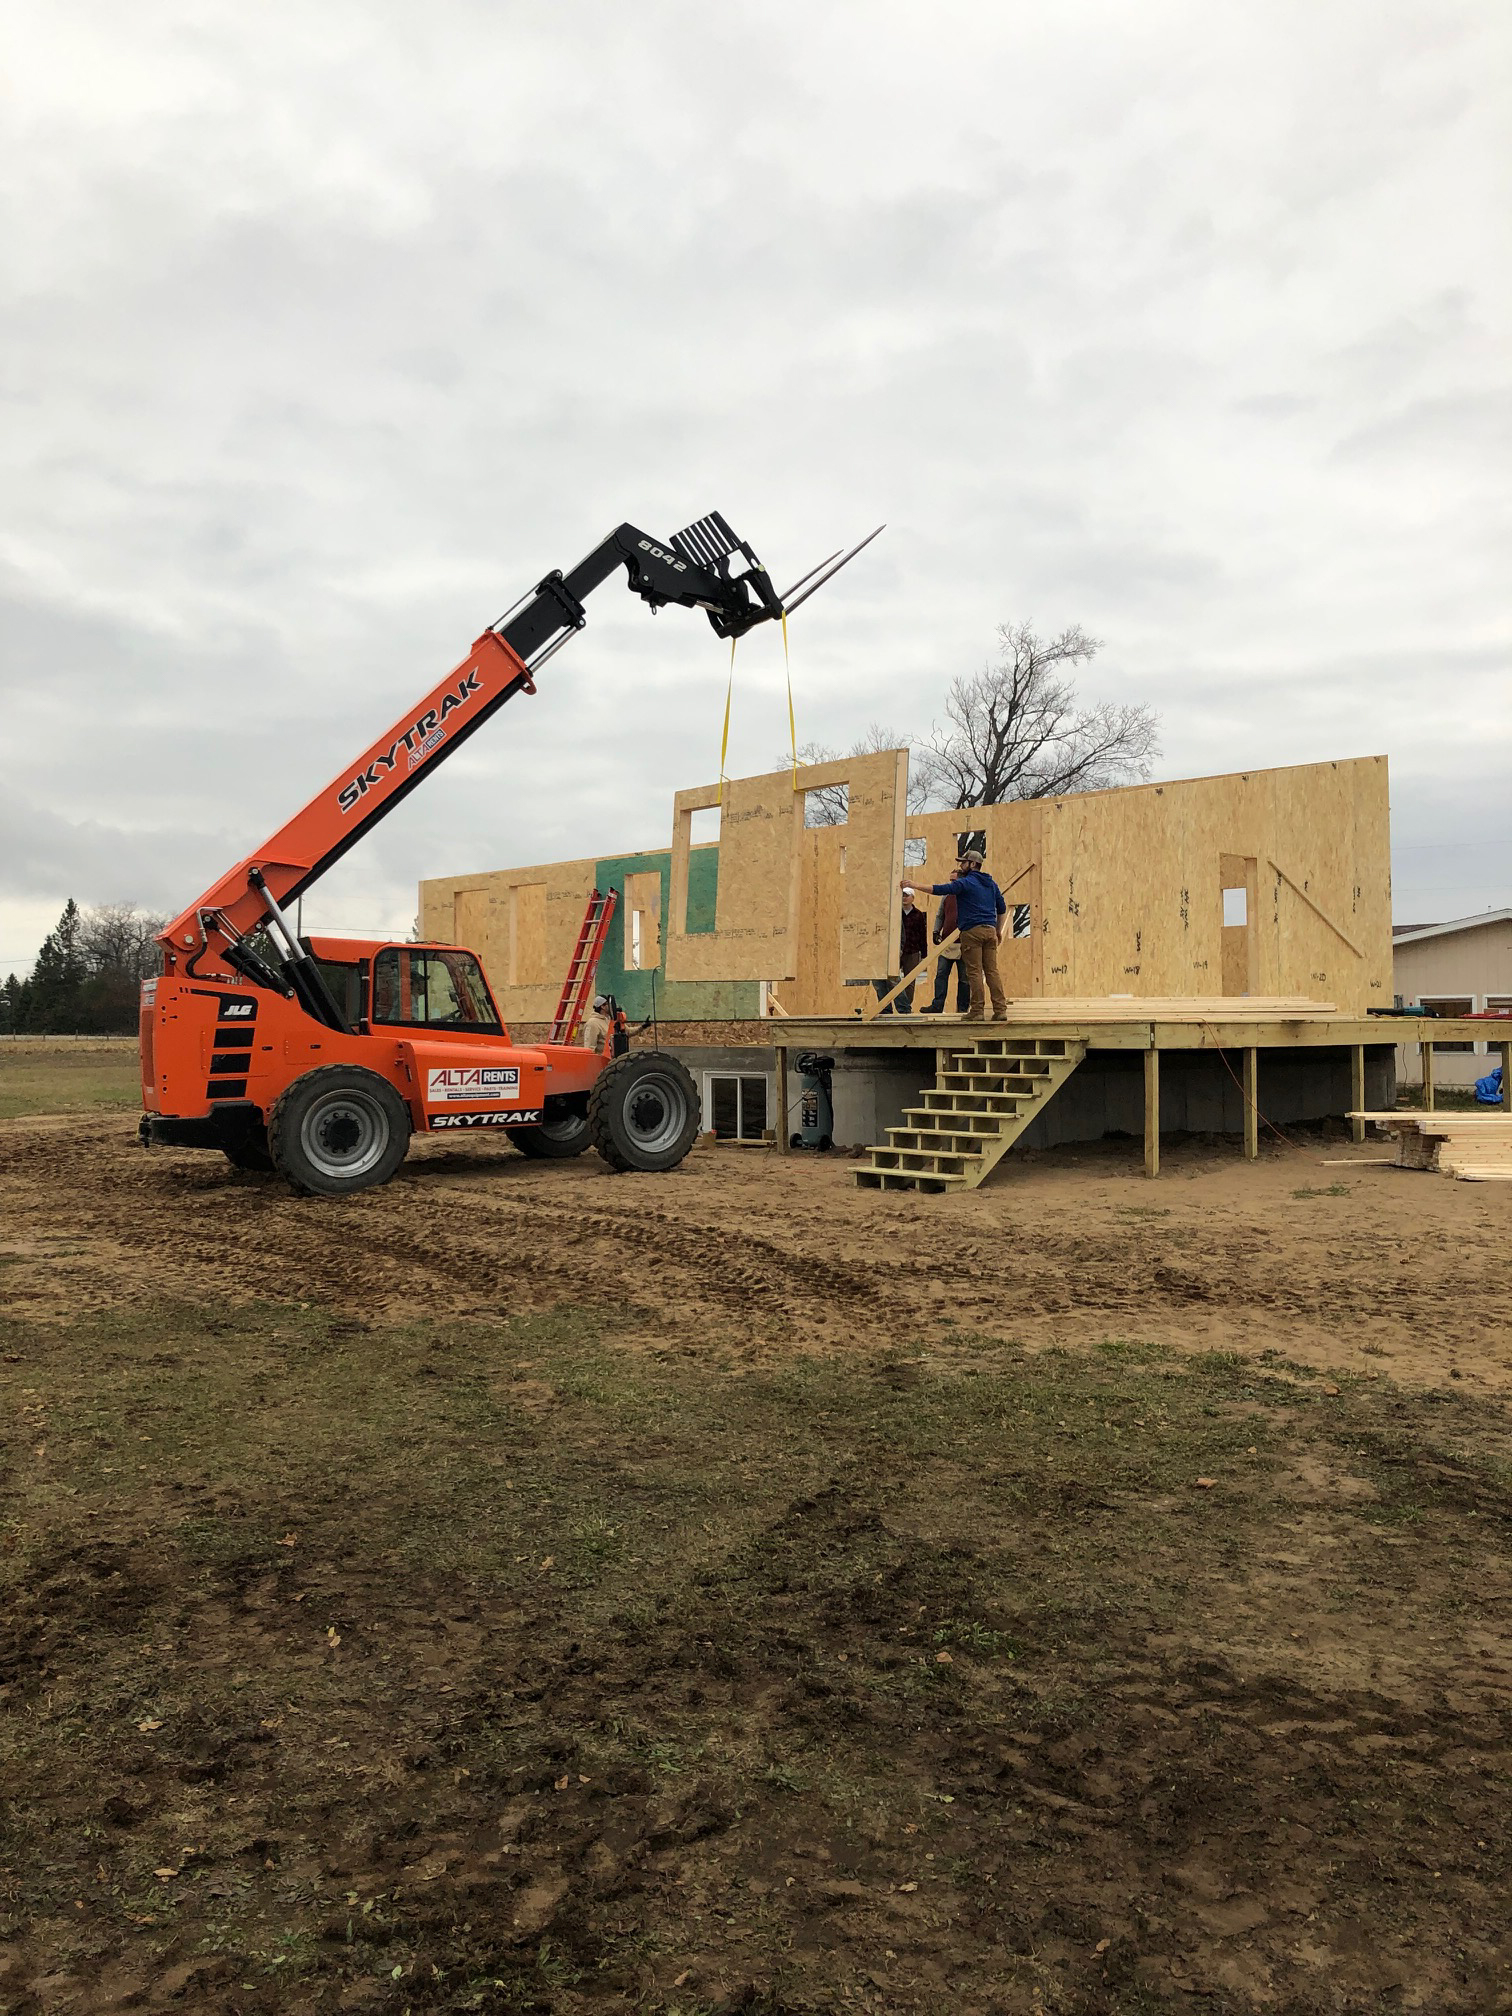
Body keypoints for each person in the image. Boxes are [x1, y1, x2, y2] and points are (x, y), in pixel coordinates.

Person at [904, 849, 1007, 1022]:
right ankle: (1000, 1009)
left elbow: (940, 889)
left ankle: (977, 1011)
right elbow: (1002, 909)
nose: (961, 865)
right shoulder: (991, 884)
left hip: (972, 932)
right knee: (992, 971)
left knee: (973, 972)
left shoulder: (966, 882)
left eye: (964, 862)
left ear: (973, 864)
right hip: (989, 930)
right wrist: (997, 930)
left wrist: (915, 885)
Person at [872, 887, 928, 1014]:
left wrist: (924, 953)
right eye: (902, 895)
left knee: (909, 980)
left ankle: (905, 1007)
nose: (904, 897)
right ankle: (888, 1008)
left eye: (907, 895)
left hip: (912, 950)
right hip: (895, 951)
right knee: (888, 979)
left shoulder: (918, 914)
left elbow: (922, 934)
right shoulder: (896, 913)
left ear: (913, 898)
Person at [921, 889, 968, 1015]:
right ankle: (937, 1006)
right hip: (947, 943)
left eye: (954, 880)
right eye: (950, 880)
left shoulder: (969, 894)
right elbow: (940, 915)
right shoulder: (946, 896)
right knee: (941, 975)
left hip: (964, 943)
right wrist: (936, 931)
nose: (952, 883)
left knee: (964, 978)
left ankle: (963, 1008)